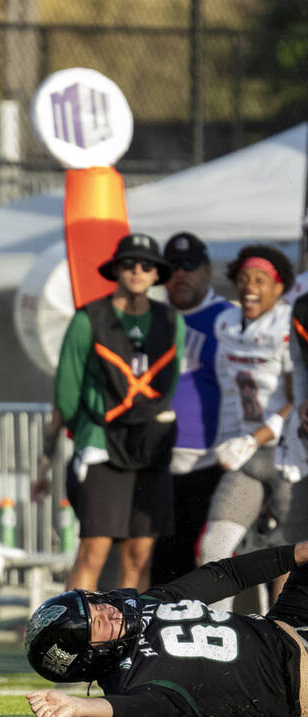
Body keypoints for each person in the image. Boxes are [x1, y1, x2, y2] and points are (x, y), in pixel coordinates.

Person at [24, 539, 308, 717]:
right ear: (91, 656)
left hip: (286, 623)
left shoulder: (147, 603)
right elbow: (133, 710)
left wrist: (295, 554)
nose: (108, 610)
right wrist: (78, 706)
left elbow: (225, 575)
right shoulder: (131, 681)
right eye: (98, 622)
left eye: (95, 603)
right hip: (299, 679)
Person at [54, 233, 184, 594]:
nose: (138, 270)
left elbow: (169, 385)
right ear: (116, 269)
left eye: (147, 265)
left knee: (140, 553)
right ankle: (73, 638)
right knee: (93, 550)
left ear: (157, 273)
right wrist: (81, 437)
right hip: (101, 443)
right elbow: (67, 390)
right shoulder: (89, 317)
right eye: (129, 263)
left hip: (151, 445)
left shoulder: (172, 320)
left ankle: (130, 645)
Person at [198, 245, 295, 610]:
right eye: (242, 279)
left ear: (278, 288)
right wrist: (231, 441)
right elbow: (227, 389)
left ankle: (287, 640)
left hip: (291, 454)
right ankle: (216, 632)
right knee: (216, 546)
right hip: (249, 453)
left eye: (260, 280)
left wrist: (254, 438)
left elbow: (299, 398)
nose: (249, 286)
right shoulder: (228, 324)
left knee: (288, 556)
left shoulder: (289, 326)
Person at [150, 232, 230, 583]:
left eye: (189, 265)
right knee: (163, 566)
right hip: (160, 462)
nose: (180, 274)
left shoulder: (229, 319)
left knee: (210, 564)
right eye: (171, 268)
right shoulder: (154, 320)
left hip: (213, 462)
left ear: (208, 270)